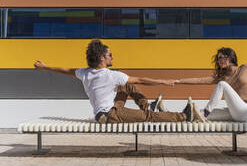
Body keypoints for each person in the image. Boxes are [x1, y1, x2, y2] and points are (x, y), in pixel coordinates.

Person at [33, 39, 198, 124]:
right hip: (110, 115)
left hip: (105, 112)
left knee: (127, 84)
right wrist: (164, 82)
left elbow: (65, 70)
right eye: (110, 55)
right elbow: (141, 79)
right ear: (102, 58)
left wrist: (45, 67)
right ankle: (184, 116)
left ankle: (147, 105)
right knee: (149, 117)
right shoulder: (110, 75)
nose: (113, 57)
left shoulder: (85, 73)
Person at [172, 33, 247, 122]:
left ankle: (207, 111)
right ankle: (173, 116)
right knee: (198, 114)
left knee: (222, 85)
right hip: (234, 112)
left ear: (230, 57)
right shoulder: (222, 76)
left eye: (222, 57)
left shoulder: (245, 68)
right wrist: (178, 81)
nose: (220, 61)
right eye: (218, 59)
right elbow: (199, 80)